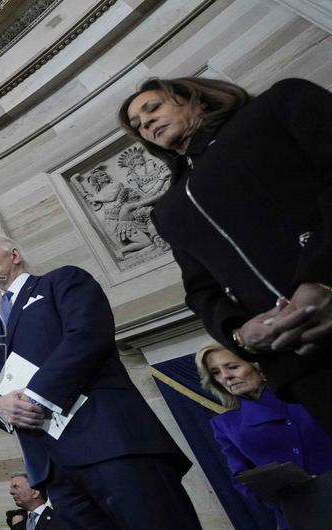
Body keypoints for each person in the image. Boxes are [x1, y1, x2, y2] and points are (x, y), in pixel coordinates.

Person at [0, 232, 281, 530]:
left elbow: (87, 336)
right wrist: (0, 407)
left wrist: (36, 396)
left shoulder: (63, 283)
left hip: (113, 444)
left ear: (14, 254)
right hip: (56, 468)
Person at [118, 77, 332, 435]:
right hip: (300, 362)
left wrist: (323, 276)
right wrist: (239, 335)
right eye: (139, 125)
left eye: (153, 108)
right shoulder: (169, 209)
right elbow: (201, 290)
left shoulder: (275, 107)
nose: (147, 124)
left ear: (195, 99)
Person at [195, 343, 332, 529]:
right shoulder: (225, 424)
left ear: (257, 365)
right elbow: (242, 478)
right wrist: (288, 501)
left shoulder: (306, 396)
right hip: (302, 518)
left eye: (232, 367)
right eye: (216, 372)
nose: (225, 377)